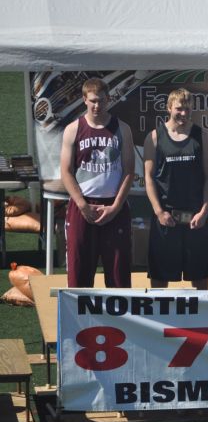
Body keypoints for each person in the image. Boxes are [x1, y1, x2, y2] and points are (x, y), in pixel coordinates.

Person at [60, 77, 135, 288]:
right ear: (84, 99)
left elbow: (129, 171)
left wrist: (116, 206)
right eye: (92, 100)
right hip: (83, 205)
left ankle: (120, 318)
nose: (97, 105)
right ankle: (80, 319)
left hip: (113, 205)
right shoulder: (73, 129)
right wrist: (82, 205)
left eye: (101, 100)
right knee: (79, 273)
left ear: (108, 99)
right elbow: (66, 171)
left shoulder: (122, 129)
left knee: (118, 275)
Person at [143, 88, 208, 290]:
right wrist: (159, 212)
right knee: (159, 277)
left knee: (200, 277)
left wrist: (204, 211)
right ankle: (158, 319)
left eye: (187, 108)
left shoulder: (202, 137)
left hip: (196, 217)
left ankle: (201, 317)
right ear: (168, 109)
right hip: (166, 217)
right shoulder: (155, 137)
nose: (183, 113)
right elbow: (148, 178)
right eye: (178, 109)